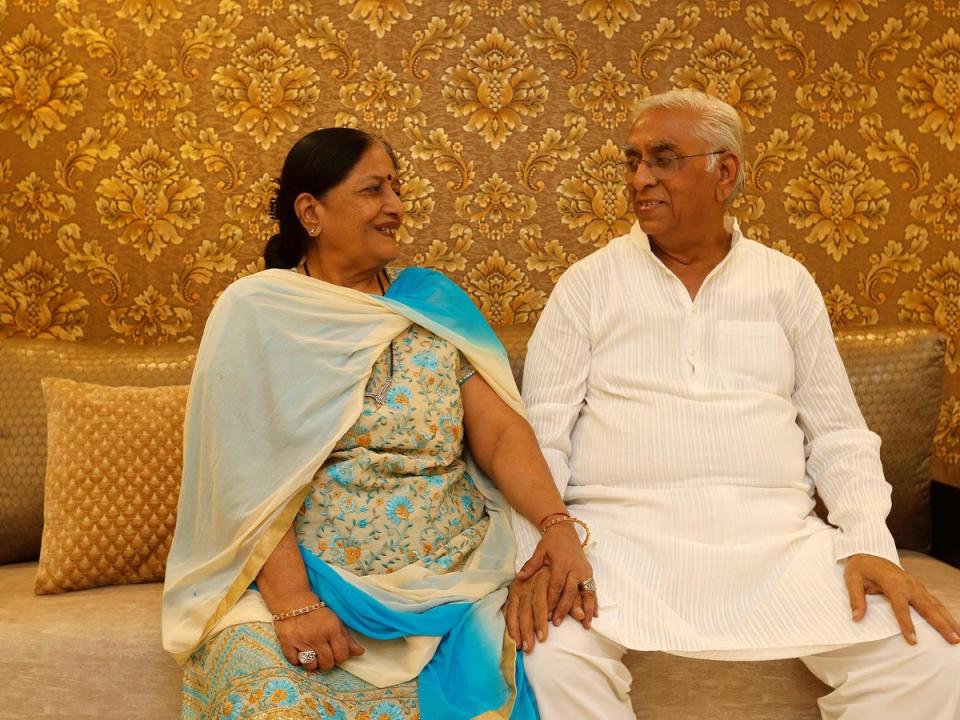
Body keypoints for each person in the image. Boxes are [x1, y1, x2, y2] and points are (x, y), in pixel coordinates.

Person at [505, 90, 960, 720]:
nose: (640, 179)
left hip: (775, 544)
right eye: (632, 161)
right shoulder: (587, 284)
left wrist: (866, 538)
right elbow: (543, 436)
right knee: (549, 657)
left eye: (664, 159)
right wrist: (543, 544)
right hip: (619, 543)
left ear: (727, 173)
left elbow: (838, 435)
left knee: (935, 658)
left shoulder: (785, 282)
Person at [161, 127, 595, 719]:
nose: (395, 206)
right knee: (266, 696)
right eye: (373, 190)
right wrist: (292, 604)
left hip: (458, 580)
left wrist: (555, 523)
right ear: (311, 211)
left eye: (396, 187)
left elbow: (499, 435)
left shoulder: (431, 303)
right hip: (310, 584)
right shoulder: (258, 310)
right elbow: (240, 472)